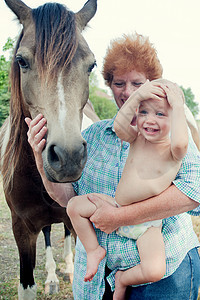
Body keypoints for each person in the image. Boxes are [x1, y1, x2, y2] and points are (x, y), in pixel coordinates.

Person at [25, 33, 200, 300]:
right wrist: (40, 156)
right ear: (109, 84)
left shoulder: (170, 136)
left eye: (137, 84)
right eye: (119, 83)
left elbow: (193, 192)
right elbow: (68, 198)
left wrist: (120, 218)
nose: (128, 92)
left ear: (153, 85)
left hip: (163, 278)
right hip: (97, 282)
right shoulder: (93, 136)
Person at [66, 79, 188, 296]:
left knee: (154, 270)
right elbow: (119, 126)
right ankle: (95, 250)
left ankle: (122, 279)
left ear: (175, 117)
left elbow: (180, 142)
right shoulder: (138, 139)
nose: (150, 120)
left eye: (160, 114)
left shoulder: (173, 151)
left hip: (146, 224)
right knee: (75, 206)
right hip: (114, 205)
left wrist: (178, 105)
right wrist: (138, 96)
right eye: (144, 113)